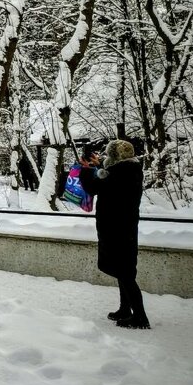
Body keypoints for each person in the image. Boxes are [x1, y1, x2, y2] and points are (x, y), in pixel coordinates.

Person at [78, 140, 150, 329]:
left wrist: (86, 169)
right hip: (123, 228)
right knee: (123, 270)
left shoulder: (119, 174)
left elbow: (93, 188)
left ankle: (140, 317)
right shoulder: (130, 170)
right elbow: (109, 176)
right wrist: (99, 164)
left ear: (116, 158)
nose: (106, 159)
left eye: (110, 155)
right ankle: (125, 309)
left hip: (116, 229)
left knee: (125, 274)